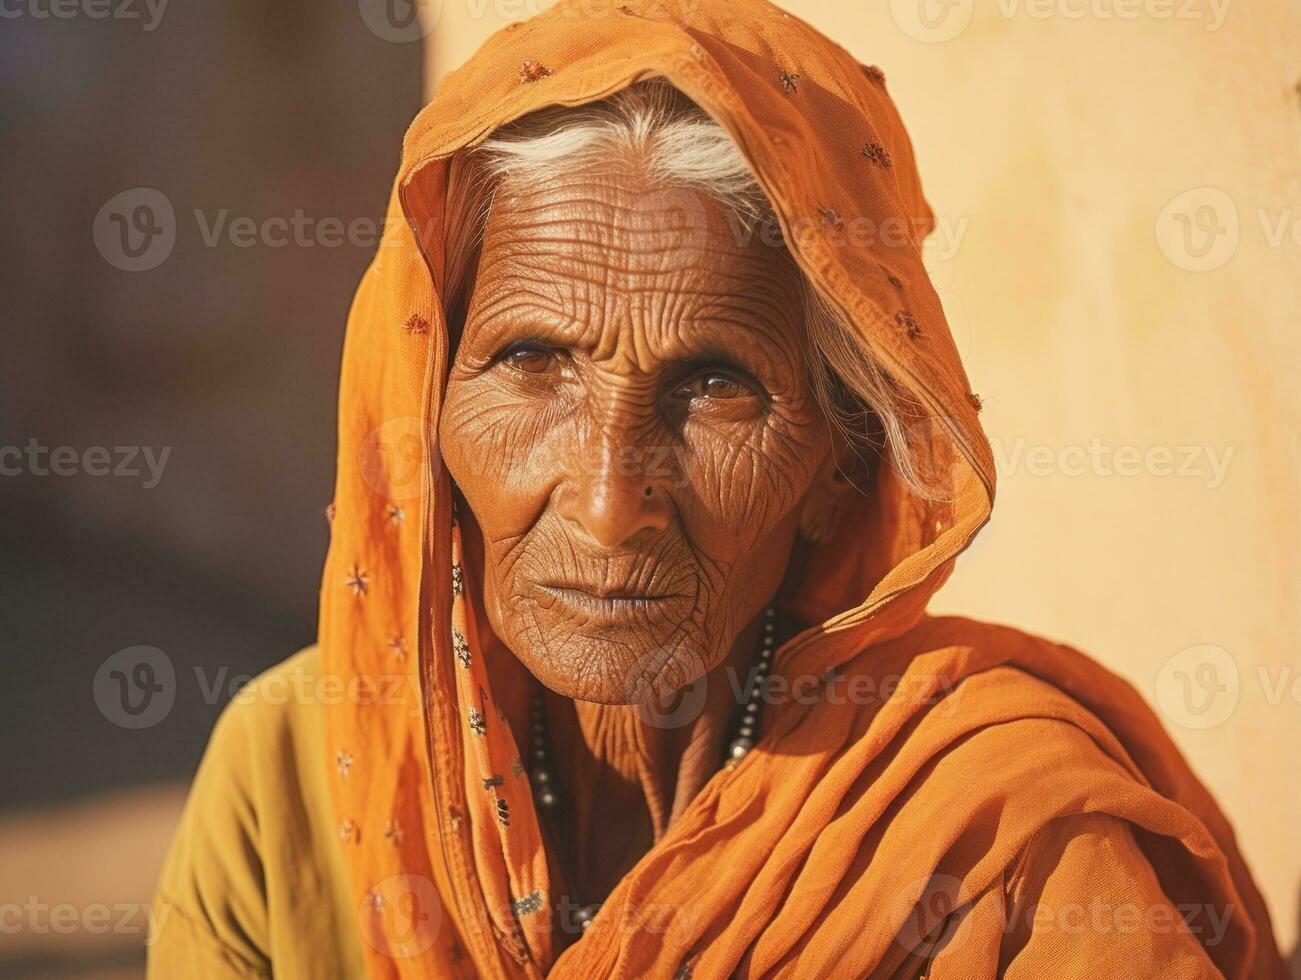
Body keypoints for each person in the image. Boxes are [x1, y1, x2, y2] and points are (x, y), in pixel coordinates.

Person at [147, 0, 1285, 976]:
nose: (606, 501)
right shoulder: (296, 775)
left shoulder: (1006, 847)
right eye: (534, 360)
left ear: (839, 469)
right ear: (425, 408)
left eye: (713, 384)